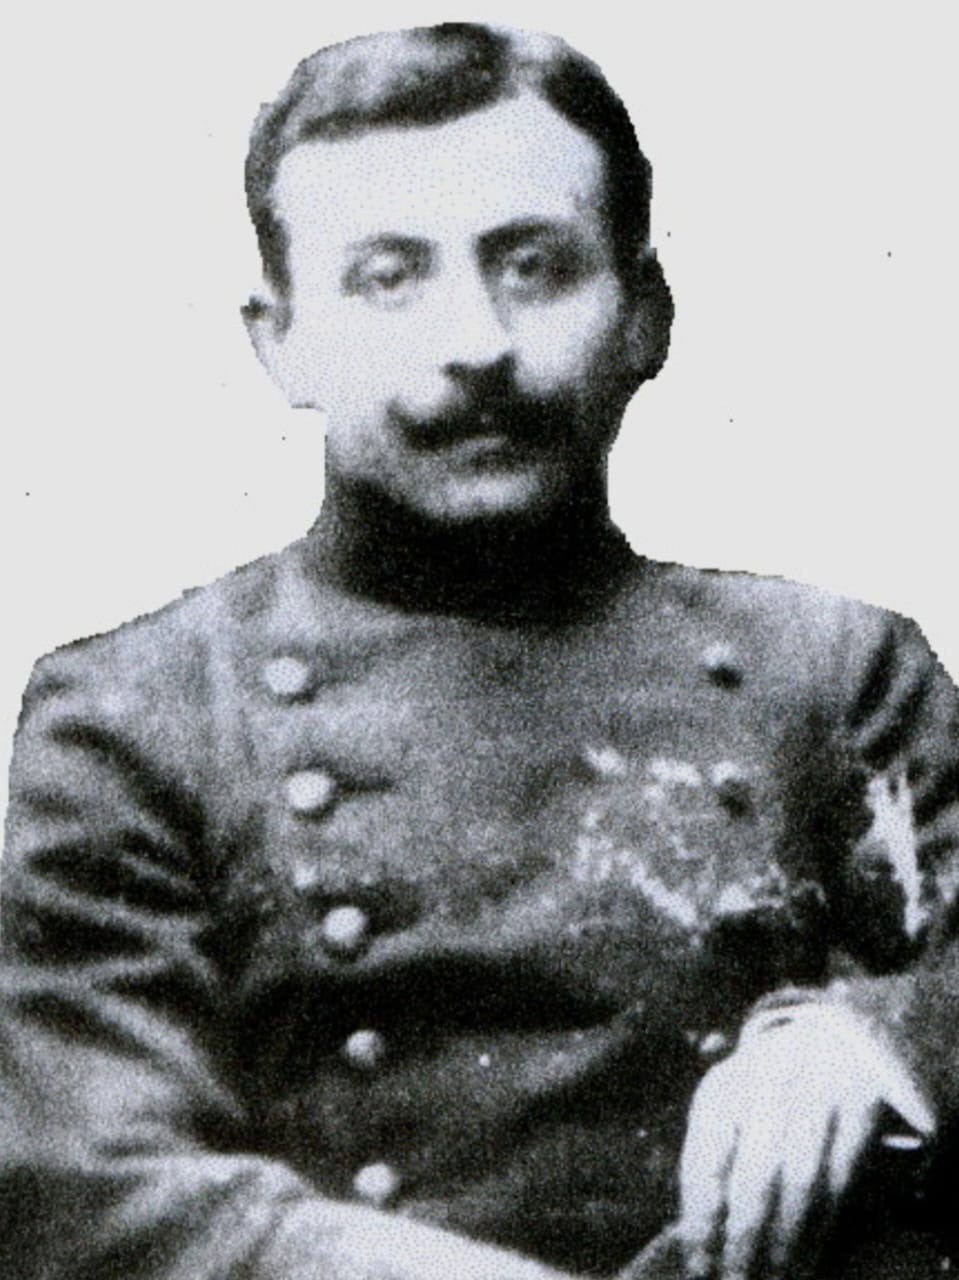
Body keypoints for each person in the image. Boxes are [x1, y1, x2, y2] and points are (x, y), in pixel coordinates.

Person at [1, 22, 957, 1280]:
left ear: (644, 316)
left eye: (534, 266)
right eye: (388, 277)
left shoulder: (832, 674)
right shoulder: (135, 712)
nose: (476, 342)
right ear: (278, 340)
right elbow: (91, 1183)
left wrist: (877, 1039)